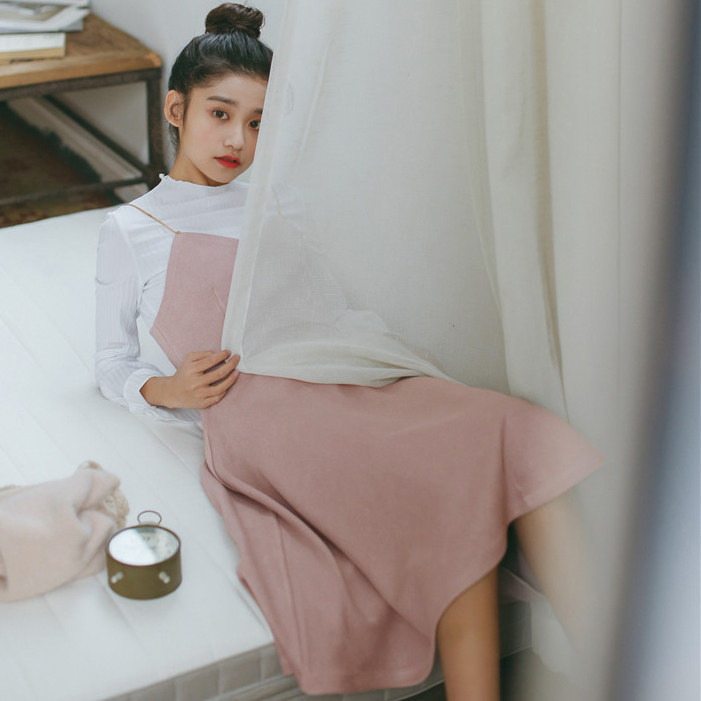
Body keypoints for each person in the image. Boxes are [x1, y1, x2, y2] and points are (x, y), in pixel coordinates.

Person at [95, 4, 603, 699]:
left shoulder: (280, 204)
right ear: (176, 109)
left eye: (258, 123)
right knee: (451, 493)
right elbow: (112, 363)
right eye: (220, 113)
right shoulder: (132, 229)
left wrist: (389, 358)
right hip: (263, 410)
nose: (238, 139)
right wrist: (166, 390)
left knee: (523, 430)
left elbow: (326, 311)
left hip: (345, 372)